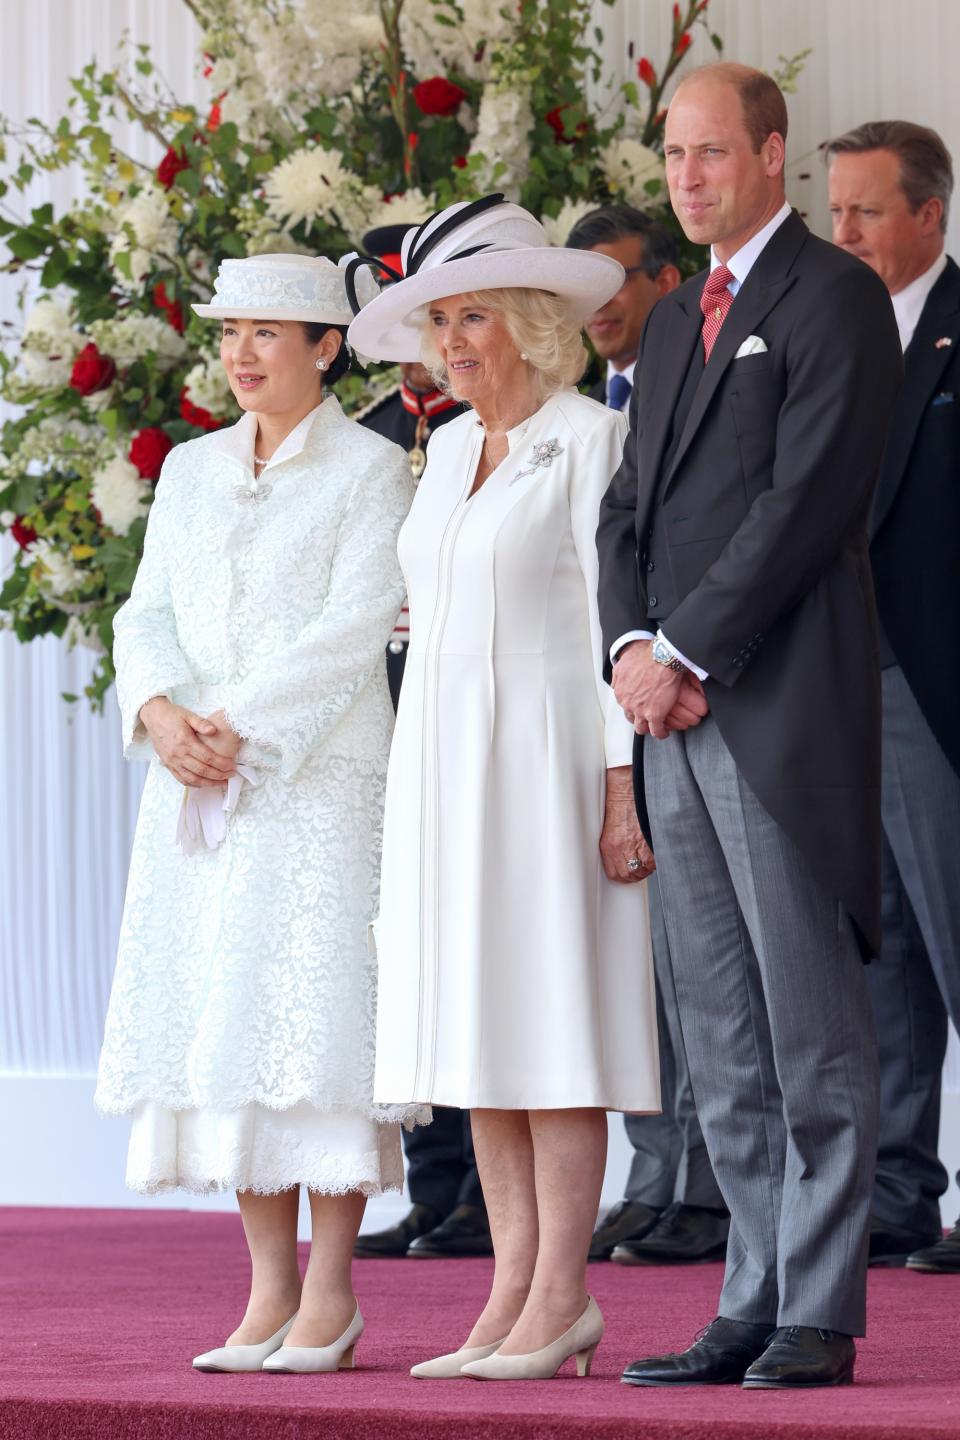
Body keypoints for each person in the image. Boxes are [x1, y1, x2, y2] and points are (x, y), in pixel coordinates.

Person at [598, 63, 902, 1391]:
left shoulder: (833, 298)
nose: (686, 176)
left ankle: (820, 1311)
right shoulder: (671, 324)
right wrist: (626, 649)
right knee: (716, 1030)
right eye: (673, 154)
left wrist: (681, 650)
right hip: (670, 717)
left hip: (776, 711)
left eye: (711, 153)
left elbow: (804, 504)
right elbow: (626, 517)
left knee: (810, 1027)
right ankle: (750, 1297)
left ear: (774, 156)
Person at [347, 195, 660, 1381]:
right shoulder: (443, 454)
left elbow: (611, 624)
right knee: (477, 1030)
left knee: (550, 1026)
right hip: (444, 763)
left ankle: (563, 1296)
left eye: (474, 316)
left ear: (532, 322)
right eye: (442, 321)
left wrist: (619, 783)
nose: (453, 342)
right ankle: (509, 1295)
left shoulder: (589, 438)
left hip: (547, 762)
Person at [95, 253, 418, 1375]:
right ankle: (266, 1291)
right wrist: (160, 712)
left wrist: (232, 726)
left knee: (313, 1024)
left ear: (327, 346)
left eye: (266, 333)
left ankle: (331, 1294)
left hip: (315, 782)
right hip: (195, 782)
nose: (239, 353)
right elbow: (147, 614)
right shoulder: (187, 470)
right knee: (226, 1021)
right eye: (229, 331)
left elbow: (356, 622)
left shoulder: (375, 471)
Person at [567, 204, 728, 1267]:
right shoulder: (587, 410)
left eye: (613, 280)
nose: (599, 306)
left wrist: (670, 663)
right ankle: (659, 1175)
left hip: (704, 689)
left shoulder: (675, 392)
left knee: (713, 966)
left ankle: (708, 1188)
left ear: (664, 282)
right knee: (650, 964)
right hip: (621, 699)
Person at [827, 120, 960, 1276]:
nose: (846, 231)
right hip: (834, 698)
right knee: (883, 958)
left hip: (938, 691)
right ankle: (899, 1191)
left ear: (931, 214)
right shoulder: (829, 337)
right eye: (836, 211)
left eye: (868, 210)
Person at [353, 225, 489, 1262]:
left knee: (478, 933)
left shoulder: (492, 421)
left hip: (466, 689)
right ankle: (436, 1182)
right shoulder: (364, 431)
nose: (418, 345)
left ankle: (490, 1187)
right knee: (410, 942)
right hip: (378, 695)